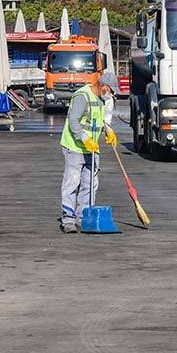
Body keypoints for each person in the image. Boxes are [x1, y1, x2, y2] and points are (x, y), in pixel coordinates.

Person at [59, 71, 119, 233]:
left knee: (90, 184)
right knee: (72, 182)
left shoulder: (101, 100)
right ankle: (68, 219)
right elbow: (73, 122)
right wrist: (85, 139)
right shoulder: (82, 97)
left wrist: (108, 131)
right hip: (75, 147)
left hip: (92, 148)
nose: (112, 95)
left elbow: (99, 120)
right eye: (112, 91)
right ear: (104, 86)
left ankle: (82, 216)